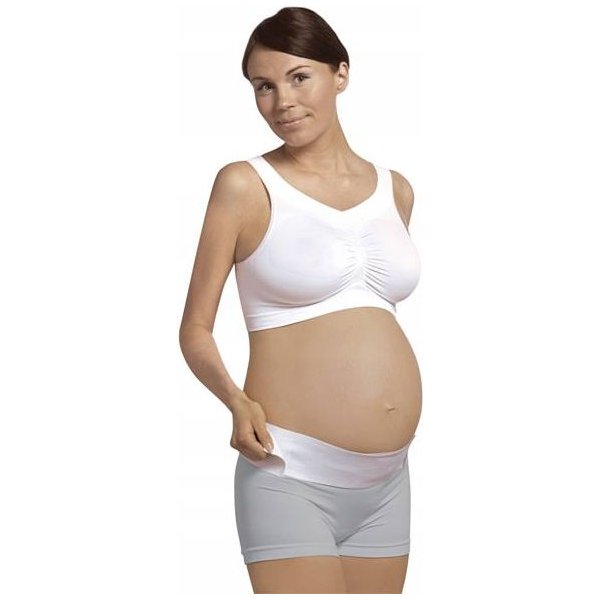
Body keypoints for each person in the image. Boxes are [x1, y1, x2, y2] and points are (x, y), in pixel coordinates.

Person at [179, 6, 422, 594]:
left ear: (341, 74)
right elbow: (195, 328)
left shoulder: (396, 190)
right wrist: (236, 401)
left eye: (298, 77)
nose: (281, 101)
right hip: (290, 472)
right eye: (263, 86)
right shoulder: (244, 184)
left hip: (387, 482)